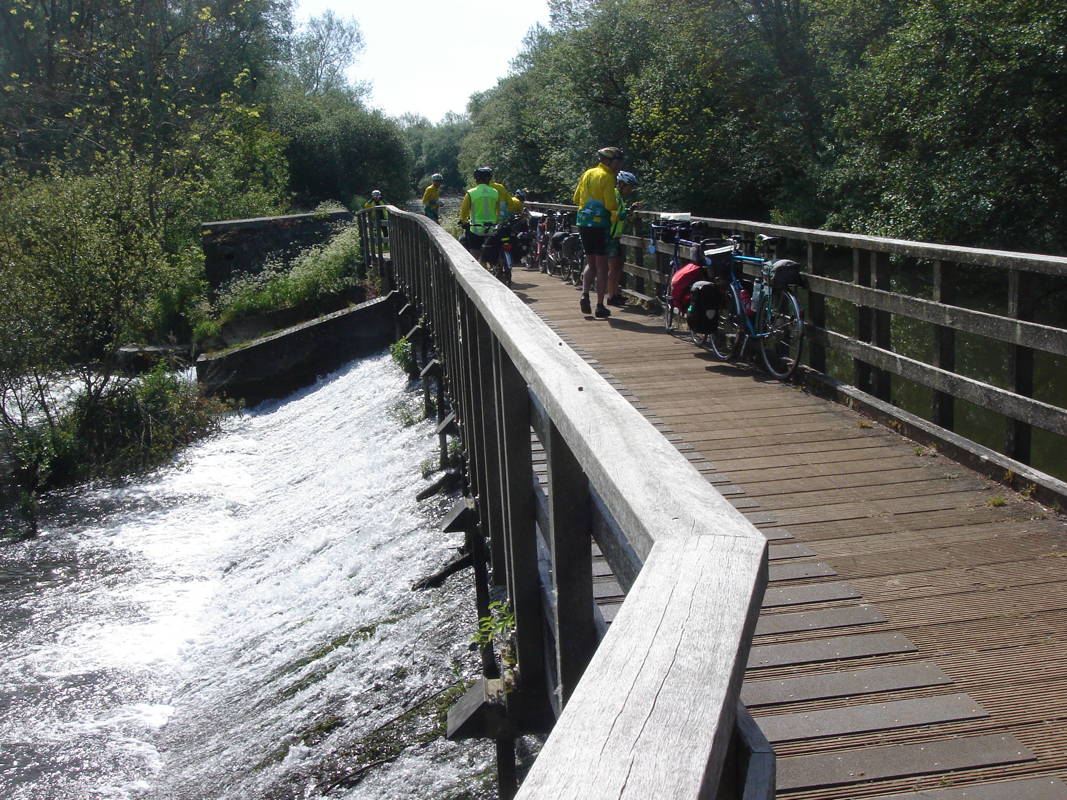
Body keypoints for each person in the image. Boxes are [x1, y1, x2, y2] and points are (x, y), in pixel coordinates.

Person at [572, 146, 623, 318]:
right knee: (602, 267)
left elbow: (576, 198)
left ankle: (585, 294)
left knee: (590, 263)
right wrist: (618, 212)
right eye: (617, 161)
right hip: (600, 224)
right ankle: (600, 305)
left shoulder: (587, 173)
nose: (619, 164)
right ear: (609, 161)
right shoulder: (607, 176)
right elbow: (610, 204)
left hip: (582, 222)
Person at [606, 170, 640, 306]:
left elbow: (619, 213)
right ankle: (611, 297)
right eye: (629, 187)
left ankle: (616, 294)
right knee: (613, 268)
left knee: (618, 266)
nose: (630, 190)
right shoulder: (614, 195)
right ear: (621, 184)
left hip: (616, 236)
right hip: (610, 236)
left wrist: (629, 210)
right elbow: (614, 215)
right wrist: (627, 213)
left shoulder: (619, 196)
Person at [458, 166, 500, 263]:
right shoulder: (495, 192)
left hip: (476, 229)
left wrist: (463, 221)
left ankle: (475, 265)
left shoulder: (471, 193)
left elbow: (464, 210)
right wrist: (498, 221)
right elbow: (499, 210)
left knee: (474, 256)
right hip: (492, 228)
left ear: (476, 179)